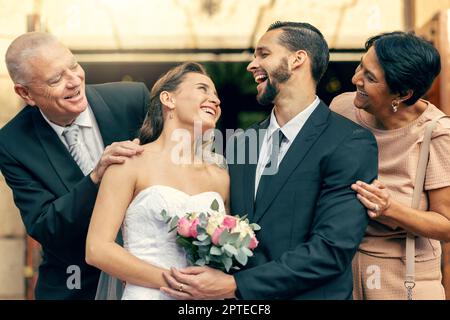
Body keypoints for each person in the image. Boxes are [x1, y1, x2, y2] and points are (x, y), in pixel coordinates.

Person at [160, 21, 378, 300]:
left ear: (298, 59)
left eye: (263, 54)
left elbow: (331, 250)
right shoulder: (241, 142)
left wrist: (236, 286)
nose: (252, 65)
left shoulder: (349, 141)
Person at [0, 32, 149, 299]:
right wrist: (95, 178)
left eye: (74, 65)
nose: (74, 81)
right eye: (56, 79)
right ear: (26, 93)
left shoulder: (134, 99)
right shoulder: (11, 142)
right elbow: (45, 226)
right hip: (74, 285)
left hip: (148, 276)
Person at [85, 62, 228, 300]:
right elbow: (97, 249)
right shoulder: (128, 163)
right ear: (168, 99)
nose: (215, 100)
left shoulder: (220, 177)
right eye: (203, 89)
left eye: (216, 95)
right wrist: (178, 283)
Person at [330, 31, 450, 300]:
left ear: (402, 94)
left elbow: (446, 224)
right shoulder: (342, 109)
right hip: (342, 275)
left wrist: (390, 209)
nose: (355, 79)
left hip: (404, 281)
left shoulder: (437, 133)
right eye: (361, 65)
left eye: (370, 77)